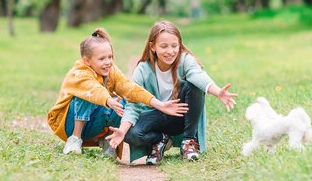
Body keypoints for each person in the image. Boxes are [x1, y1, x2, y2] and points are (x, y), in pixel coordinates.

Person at [105, 20, 237, 164]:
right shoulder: (142, 70)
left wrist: (218, 92)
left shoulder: (185, 60)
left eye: (174, 46)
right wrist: (122, 131)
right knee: (131, 135)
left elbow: (197, 75)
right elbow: (133, 104)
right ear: (152, 47)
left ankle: (188, 141)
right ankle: (160, 139)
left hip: (180, 115)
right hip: (155, 118)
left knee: (194, 85)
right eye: (164, 46)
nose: (170, 51)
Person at [47, 28, 188, 156]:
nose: (108, 62)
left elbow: (130, 88)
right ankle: (74, 139)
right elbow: (94, 89)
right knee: (87, 96)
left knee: (126, 102)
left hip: (92, 126)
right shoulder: (79, 72)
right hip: (68, 125)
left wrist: (160, 105)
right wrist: (109, 100)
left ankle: (107, 140)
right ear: (87, 61)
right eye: (102, 59)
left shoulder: (111, 71)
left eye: (110, 57)